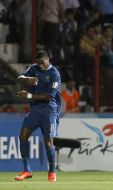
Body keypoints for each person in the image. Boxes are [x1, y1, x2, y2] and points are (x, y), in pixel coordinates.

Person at [14, 51, 61, 182]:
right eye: (38, 63)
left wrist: (28, 96)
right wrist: (27, 79)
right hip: (35, 110)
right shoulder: (34, 68)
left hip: (49, 111)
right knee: (23, 136)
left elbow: (48, 96)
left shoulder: (54, 74)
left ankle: (52, 172)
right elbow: (19, 78)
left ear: (48, 60)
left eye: (42, 63)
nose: (40, 66)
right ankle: (27, 170)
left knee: (48, 143)